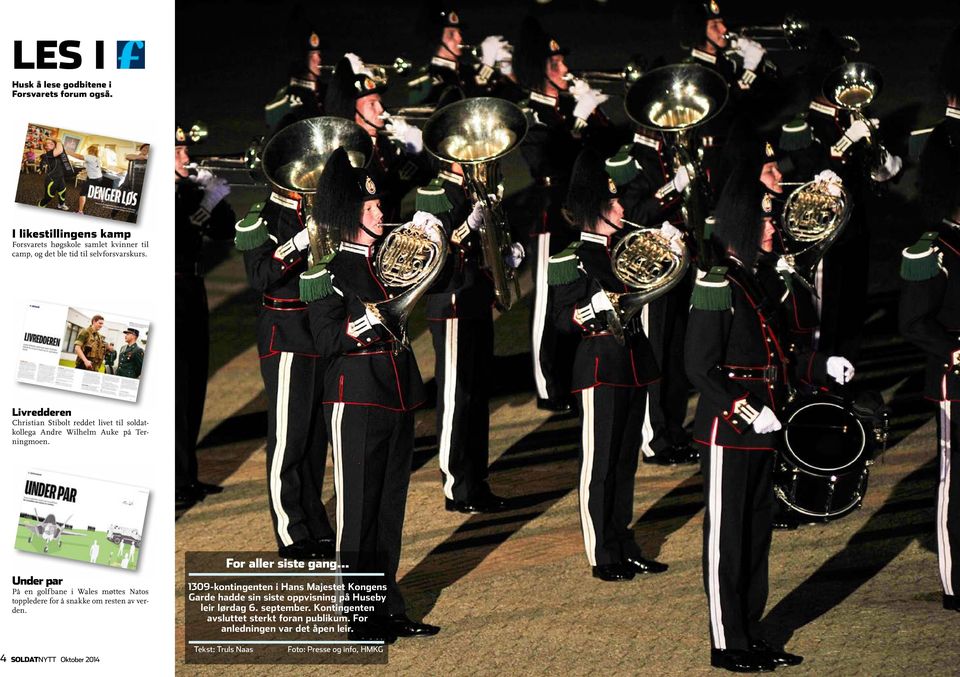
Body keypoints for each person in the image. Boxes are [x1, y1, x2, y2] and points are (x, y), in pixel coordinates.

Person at [685, 150, 854, 672]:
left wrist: (822, 367)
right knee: (726, 540)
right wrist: (742, 409)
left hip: (766, 424)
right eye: (764, 219)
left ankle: (751, 632)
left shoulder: (758, 280)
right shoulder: (717, 283)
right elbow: (699, 368)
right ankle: (726, 641)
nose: (772, 226)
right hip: (730, 429)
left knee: (755, 536)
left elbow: (779, 356)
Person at [305, 147, 440, 642]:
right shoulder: (326, 273)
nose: (382, 212)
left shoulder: (386, 262)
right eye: (371, 208)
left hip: (398, 393)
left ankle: (389, 608)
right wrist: (369, 321)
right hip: (356, 397)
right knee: (358, 513)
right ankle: (358, 617)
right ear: (350, 216)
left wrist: (438, 235)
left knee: (389, 509)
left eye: (379, 206)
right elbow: (325, 340)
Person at [548, 149, 670, 582]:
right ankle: (602, 553)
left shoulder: (623, 250)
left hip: (632, 361)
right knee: (599, 464)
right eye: (614, 203)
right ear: (596, 209)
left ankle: (624, 542)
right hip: (598, 365)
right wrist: (591, 307)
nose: (621, 208)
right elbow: (561, 320)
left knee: (624, 461)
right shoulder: (570, 258)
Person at [234, 141, 336, 562]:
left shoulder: (317, 210)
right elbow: (260, 276)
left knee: (314, 440)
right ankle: (290, 532)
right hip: (287, 337)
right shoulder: (262, 219)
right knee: (288, 440)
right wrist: (298, 242)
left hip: (318, 335)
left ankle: (313, 522)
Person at [514, 15, 613, 414]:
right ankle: (547, 384)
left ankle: (570, 377)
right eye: (555, 65)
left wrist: (595, 116)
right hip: (548, 217)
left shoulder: (565, 107)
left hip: (579, 214)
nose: (565, 69)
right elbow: (546, 161)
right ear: (540, 71)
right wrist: (577, 121)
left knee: (576, 293)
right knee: (546, 303)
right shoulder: (532, 115)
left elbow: (602, 150)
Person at [414, 164, 522, 513]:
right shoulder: (434, 193)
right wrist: (467, 226)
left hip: (476, 297)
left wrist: (503, 255)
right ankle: (456, 485)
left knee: (477, 395)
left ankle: (476, 481)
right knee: (456, 395)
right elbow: (431, 252)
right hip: (452, 302)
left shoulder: (475, 188)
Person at [899, 26, 960, 613]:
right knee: (954, 483)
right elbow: (913, 324)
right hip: (955, 380)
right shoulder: (927, 250)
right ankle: (954, 581)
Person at [175, 125, 235, 509]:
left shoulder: (187, 190)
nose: (186, 157)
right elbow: (180, 233)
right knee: (175, 388)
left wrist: (215, 198)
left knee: (195, 382)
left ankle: (186, 475)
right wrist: (202, 201)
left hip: (191, 289)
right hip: (165, 290)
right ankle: (176, 480)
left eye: (185, 150)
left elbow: (226, 230)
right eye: (177, 151)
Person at [325, 56, 429, 222]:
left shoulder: (385, 143)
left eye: (380, 103)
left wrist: (415, 146)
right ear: (354, 112)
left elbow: (424, 176)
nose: (381, 109)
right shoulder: (351, 153)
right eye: (371, 104)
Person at [264, 29, 326, 136]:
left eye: (319, 53)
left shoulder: (326, 91)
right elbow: (271, 114)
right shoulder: (289, 96)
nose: (318, 58)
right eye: (312, 55)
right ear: (301, 59)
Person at [67, 144, 109, 214]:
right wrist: (85, 172)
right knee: (95, 188)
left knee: (82, 194)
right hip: (99, 177)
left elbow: (79, 157)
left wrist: (68, 152)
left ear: (90, 150)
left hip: (93, 179)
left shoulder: (90, 156)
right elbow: (92, 167)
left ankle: (80, 212)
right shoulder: (97, 158)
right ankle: (102, 198)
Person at [37, 138, 73, 210]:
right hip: (52, 180)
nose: (51, 143)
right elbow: (59, 150)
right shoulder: (47, 155)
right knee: (49, 197)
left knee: (62, 192)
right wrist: (58, 140)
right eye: (48, 143)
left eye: (52, 143)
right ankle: (40, 206)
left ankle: (61, 204)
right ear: (45, 147)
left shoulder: (58, 154)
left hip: (61, 178)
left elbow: (62, 153)